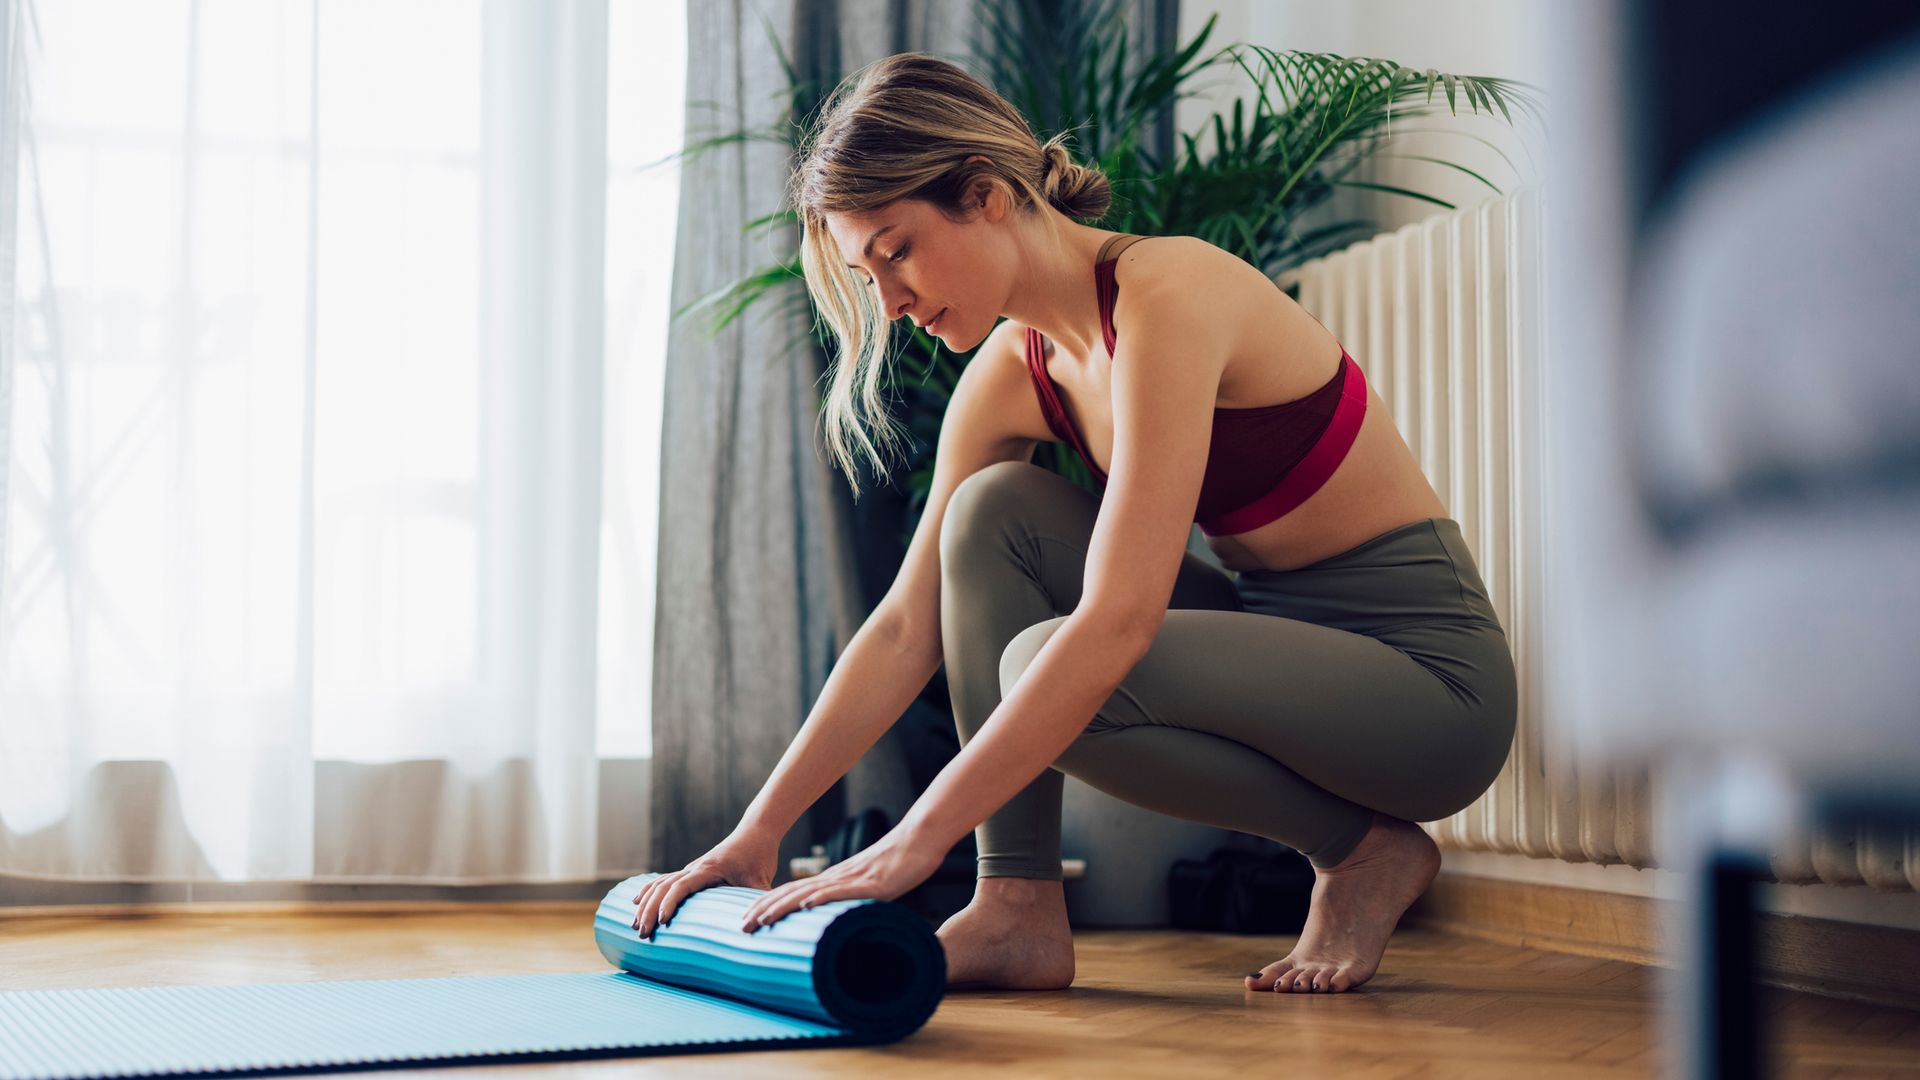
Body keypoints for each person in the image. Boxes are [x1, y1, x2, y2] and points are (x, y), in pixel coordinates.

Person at [632, 52, 1517, 996]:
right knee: (989, 514)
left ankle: (1362, 849)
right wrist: (759, 831)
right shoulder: (1018, 369)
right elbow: (904, 625)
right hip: (1278, 652)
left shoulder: (1169, 294)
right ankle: (1015, 908)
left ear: (987, 196)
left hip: (1428, 692)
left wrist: (915, 839)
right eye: (867, 271)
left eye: (895, 251)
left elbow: (1120, 620)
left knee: (1052, 663)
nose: (887, 303)